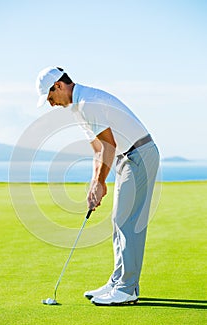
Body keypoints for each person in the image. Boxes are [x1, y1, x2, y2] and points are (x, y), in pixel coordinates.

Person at [36, 66, 160, 306]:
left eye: (50, 97)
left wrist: (101, 181)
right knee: (118, 219)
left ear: (59, 86)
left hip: (139, 154)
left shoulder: (88, 103)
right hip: (127, 156)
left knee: (128, 221)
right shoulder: (78, 107)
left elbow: (108, 146)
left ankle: (127, 289)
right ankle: (117, 281)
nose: (51, 104)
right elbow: (97, 149)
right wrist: (95, 184)